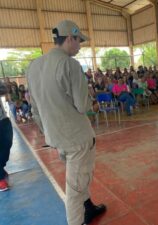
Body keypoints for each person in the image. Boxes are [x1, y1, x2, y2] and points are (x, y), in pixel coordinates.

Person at [26, 20, 106, 225]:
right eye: (79, 40)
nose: (80, 45)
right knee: (75, 190)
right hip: (77, 138)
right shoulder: (70, 64)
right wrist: (93, 104)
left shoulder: (33, 66)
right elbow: (82, 106)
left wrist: (48, 133)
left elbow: (34, 109)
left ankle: (88, 209)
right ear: (69, 38)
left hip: (56, 137)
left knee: (79, 179)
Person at [0, 81, 13, 192]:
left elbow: (4, 89)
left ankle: (1, 167)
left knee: (7, 145)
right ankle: (0, 180)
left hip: (3, 120)